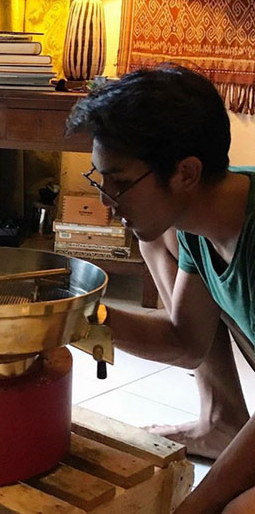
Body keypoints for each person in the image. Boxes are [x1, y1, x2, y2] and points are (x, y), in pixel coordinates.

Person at [66, 63, 255, 513]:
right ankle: (221, 425)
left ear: (186, 172)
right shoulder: (198, 220)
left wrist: (194, 506)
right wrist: (79, 318)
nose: (106, 203)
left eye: (120, 182)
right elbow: (186, 340)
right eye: (100, 180)